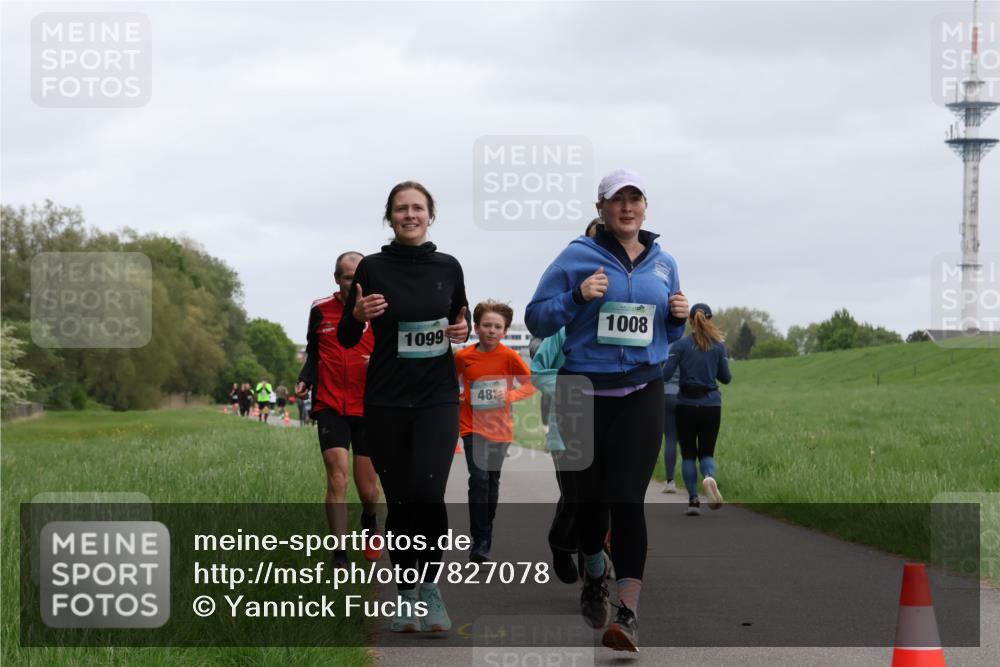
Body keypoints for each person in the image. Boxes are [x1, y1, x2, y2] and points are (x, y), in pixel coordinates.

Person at [525, 168, 688, 652]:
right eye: (618, 200)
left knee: (627, 500)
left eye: (636, 199)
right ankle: (594, 569)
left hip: (641, 389)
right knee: (588, 502)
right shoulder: (576, 257)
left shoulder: (664, 263)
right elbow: (537, 316)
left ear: (645, 208)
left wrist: (677, 319)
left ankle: (629, 614)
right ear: (601, 207)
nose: (628, 207)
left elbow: (666, 333)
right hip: (582, 390)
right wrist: (577, 296)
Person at [339, 181, 470, 634]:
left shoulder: (449, 266)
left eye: (417, 208)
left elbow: (461, 318)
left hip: (436, 397)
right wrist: (357, 317)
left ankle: (431, 590)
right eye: (401, 209)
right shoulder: (372, 268)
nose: (409, 215)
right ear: (389, 217)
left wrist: (462, 329)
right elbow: (346, 337)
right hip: (387, 399)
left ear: (430, 214)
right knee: (400, 500)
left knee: (428, 493)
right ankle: (406, 594)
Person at [297, 251, 383, 569]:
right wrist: (305, 379)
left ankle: (370, 519)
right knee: (336, 477)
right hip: (330, 403)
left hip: (368, 407)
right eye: (348, 277)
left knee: (368, 489)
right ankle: (339, 555)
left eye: (359, 276)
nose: (354, 282)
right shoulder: (320, 309)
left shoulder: (379, 309)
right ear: (337, 278)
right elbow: (313, 350)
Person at [528, 218, 601, 585]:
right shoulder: (560, 326)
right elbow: (539, 373)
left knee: (608, 499)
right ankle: (561, 543)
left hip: (613, 422)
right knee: (577, 498)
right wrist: (576, 385)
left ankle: (596, 568)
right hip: (568, 429)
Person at [454, 300, 536, 563]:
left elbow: (530, 384)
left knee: (491, 482)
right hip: (471, 426)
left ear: (505, 331)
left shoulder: (510, 357)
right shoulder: (463, 357)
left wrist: (509, 395)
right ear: (476, 328)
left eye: (497, 327)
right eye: (486, 325)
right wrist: (457, 395)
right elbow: (449, 383)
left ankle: (486, 531)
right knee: (478, 479)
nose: (491, 330)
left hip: (500, 429)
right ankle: (478, 540)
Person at [661, 303, 732, 516]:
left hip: (686, 405)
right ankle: (709, 477)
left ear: (690, 320)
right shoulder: (719, 346)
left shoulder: (680, 346)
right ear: (710, 319)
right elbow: (726, 378)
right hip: (711, 405)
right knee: (707, 452)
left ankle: (693, 500)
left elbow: (665, 375)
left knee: (689, 454)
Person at [662, 367, 681, 493]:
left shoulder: (665, 348)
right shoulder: (690, 347)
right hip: (685, 396)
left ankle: (670, 481)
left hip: (667, 394)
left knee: (670, 439)